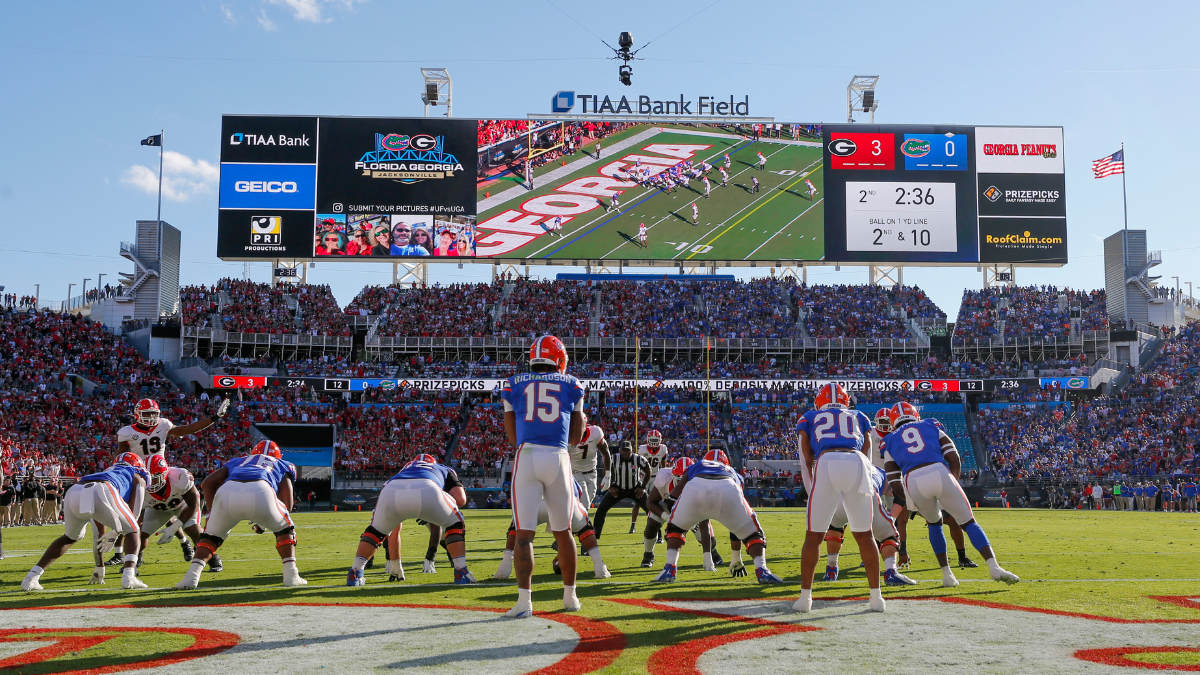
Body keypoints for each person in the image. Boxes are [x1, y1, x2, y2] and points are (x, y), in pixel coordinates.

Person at [882, 401, 1019, 589]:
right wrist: (951, 483)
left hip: (911, 479)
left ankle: (947, 575)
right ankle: (993, 566)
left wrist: (911, 499)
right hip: (938, 471)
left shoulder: (888, 440)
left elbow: (894, 482)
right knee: (969, 522)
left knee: (934, 524)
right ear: (915, 414)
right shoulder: (930, 424)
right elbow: (953, 457)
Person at [500, 335, 586, 617]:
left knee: (523, 535)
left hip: (527, 457)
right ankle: (570, 597)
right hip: (558, 457)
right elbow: (576, 434)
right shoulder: (572, 384)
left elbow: (512, 436)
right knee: (564, 532)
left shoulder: (512, 384)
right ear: (559, 359)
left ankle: (524, 603)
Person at [795, 383, 885, 613]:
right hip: (856, 462)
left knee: (814, 536)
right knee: (865, 535)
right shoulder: (859, 415)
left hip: (827, 462)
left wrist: (812, 486)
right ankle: (876, 598)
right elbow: (867, 452)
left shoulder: (810, 416)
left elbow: (806, 459)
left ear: (820, 402)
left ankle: (805, 599)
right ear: (846, 402)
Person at [175, 440, 305, 589]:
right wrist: (265, 522)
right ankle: (291, 575)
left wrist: (214, 510)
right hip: (261, 488)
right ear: (278, 455)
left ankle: (192, 576)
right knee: (285, 527)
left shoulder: (238, 461)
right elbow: (287, 503)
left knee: (210, 536)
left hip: (227, 491)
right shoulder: (282, 464)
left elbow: (207, 483)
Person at [22, 453, 148, 591]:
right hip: (103, 489)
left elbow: (98, 516)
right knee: (134, 530)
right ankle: (129, 576)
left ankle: (32, 577)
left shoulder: (109, 471)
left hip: (75, 489)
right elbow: (134, 517)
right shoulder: (137, 475)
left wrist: (111, 537)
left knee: (70, 536)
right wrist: (116, 531)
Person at [653, 449, 782, 584]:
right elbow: (736, 527)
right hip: (728, 486)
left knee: (675, 529)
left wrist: (677, 517)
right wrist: (736, 558)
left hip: (696, 487)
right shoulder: (732, 471)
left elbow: (673, 495)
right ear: (725, 463)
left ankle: (670, 567)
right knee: (753, 534)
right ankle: (762, 569)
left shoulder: (698, 465)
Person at [346, 453, 477, 586]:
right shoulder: (442, 468)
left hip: (391, 489)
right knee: (455, 522)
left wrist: (396, 565)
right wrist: (434, 511)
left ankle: (355, 573)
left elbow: (394, 530)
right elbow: (460, 499)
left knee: (376, 530)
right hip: (428, 486)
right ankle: (461, 571)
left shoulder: (404, 470)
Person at [493, 477, 611, 580]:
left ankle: (505, 566)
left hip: (537, 502)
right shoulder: (564, 469)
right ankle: (599, 566)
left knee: (517, 529)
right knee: (585, 530)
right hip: (567, 503)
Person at [641, 457, 726, 571]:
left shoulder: (701, 485)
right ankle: (648, 554)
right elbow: (650, 502)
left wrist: (707, 557)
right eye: (679, 479)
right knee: (652, 523)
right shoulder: (664, 477)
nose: (682, 483)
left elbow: (704, 522)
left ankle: (712, 553)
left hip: (692, 509)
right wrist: (666, 517)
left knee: (707, 537)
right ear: (672, 475)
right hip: (667, 506)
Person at [137, 454, 219, 571]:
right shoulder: (140, 485)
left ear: (165, 474)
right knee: (140, 533)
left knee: (193, 530)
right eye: (148, 478)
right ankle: (135, 559)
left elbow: (193, 505)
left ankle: (213, 558)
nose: (151, 482)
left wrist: (173, 527)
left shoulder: (180, 476)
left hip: (183, 505)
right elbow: (137, 517)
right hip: (158, 509)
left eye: (154, 478)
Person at [592, 441, 650, 539]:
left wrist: (642, 487)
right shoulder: (614, 458)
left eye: (628, 450)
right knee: (601, 510)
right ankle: (595, 536)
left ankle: (657, 536)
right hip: (618, 488)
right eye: (624, 450)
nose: (626, 452)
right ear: (620, 450)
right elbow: (606, 470)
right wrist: (610, 487)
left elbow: (648, 471)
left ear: (632, 450)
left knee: (651, 510)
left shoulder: (638, 459)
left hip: (635, 488)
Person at [570, 413, 610, 511]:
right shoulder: (567, 435)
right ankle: (584, 525)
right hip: (576, 471)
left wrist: (608, 475)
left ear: (585, 424)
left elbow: (605, 452)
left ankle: (576, 523)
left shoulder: (595, 432)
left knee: (587, 502)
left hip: (592, 472)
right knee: (585, 503)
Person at [634, 430, 670, 533]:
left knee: (657, 501)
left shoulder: (663, 449)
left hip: (655, 477)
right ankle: (633, 525)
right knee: (638, 502)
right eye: (652, 440)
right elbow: (637, 464)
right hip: (643, 477)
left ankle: (656, 522)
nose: (654, 442)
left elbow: (663, 464)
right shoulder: (642, 449)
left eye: (656, 440)